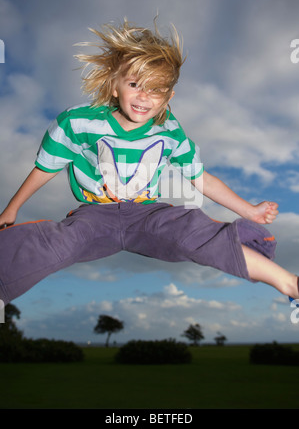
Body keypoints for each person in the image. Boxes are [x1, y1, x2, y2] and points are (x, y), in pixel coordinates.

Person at [0, 18, 298, 306]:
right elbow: (46, 167)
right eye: (135, 84)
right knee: (56, 244)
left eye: (157, 89)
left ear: (168, 96)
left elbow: (200, 178)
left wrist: (250, 210)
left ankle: (289, 283)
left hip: (147, 212)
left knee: (191, 231)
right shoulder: (78, 122)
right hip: (95, 215)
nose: (145, 97)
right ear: (114, 85)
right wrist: (12, 209)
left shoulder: (169, 131)